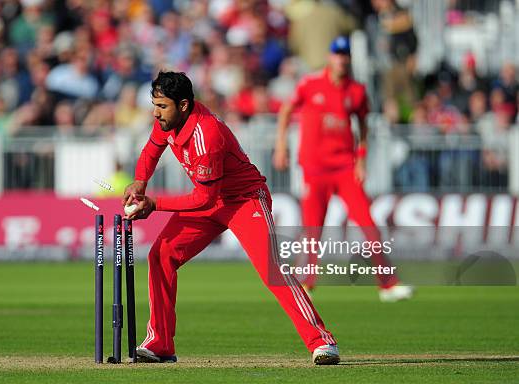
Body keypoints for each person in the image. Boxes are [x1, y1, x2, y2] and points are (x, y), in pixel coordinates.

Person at [123, 71, 340, 365]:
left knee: (271, 269)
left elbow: (203, 199)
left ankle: (322, 341)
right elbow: (151, 151)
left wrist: (154, 204)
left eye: (162, 106)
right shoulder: (167, 121)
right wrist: (140, 182)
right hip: (211, 198)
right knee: (160, 255)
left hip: (244, 200)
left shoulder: (206, 134)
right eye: (155, 105)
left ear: (183, 105)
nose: (155, 113)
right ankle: (160, 344)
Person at [272, 36, 413, 302]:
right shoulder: (310, 84)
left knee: (368, 223)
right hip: (314, 168)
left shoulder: (356, 91)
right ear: (330, 57)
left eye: (345, 54)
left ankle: (388, 285)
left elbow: (363, 126)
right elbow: (286, 111)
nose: (341, 58)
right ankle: (306, 284)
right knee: (313, 227)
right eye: (337, 53)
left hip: (345, 167)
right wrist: (281, 146)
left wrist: (361, 158)